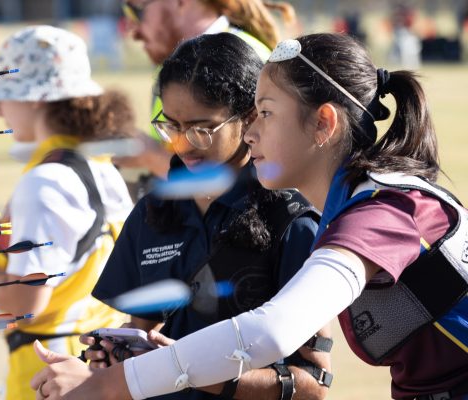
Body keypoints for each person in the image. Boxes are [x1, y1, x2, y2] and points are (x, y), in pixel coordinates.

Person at [30, 32, 468, 400]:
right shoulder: (357, 205)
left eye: (266, 113)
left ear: (323, 123)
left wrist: (111, 384)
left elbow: (273, 332)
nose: (251, 132)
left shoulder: (385, 210)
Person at [81, 32, 331, 400]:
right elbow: (144, 332)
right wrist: (116, 355)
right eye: (171, 126)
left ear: (250, 118)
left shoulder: (292, 222)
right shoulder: (153, 210)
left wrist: (186, 371)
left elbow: (312, 386)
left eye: (202, 129)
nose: (181, 143)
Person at [0, 25, 134, 400]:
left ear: (37, 98)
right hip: (96, 365)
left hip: (52, 376)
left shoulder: (45, 181)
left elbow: (26, 302)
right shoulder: (99, 165)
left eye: (6, 94)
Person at [115, 0, 297, 183]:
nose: (131, 29)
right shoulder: (178, 65)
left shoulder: (246, 60)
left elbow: (267, 177)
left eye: (136, 11)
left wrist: (152, 156)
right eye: (172, 126)